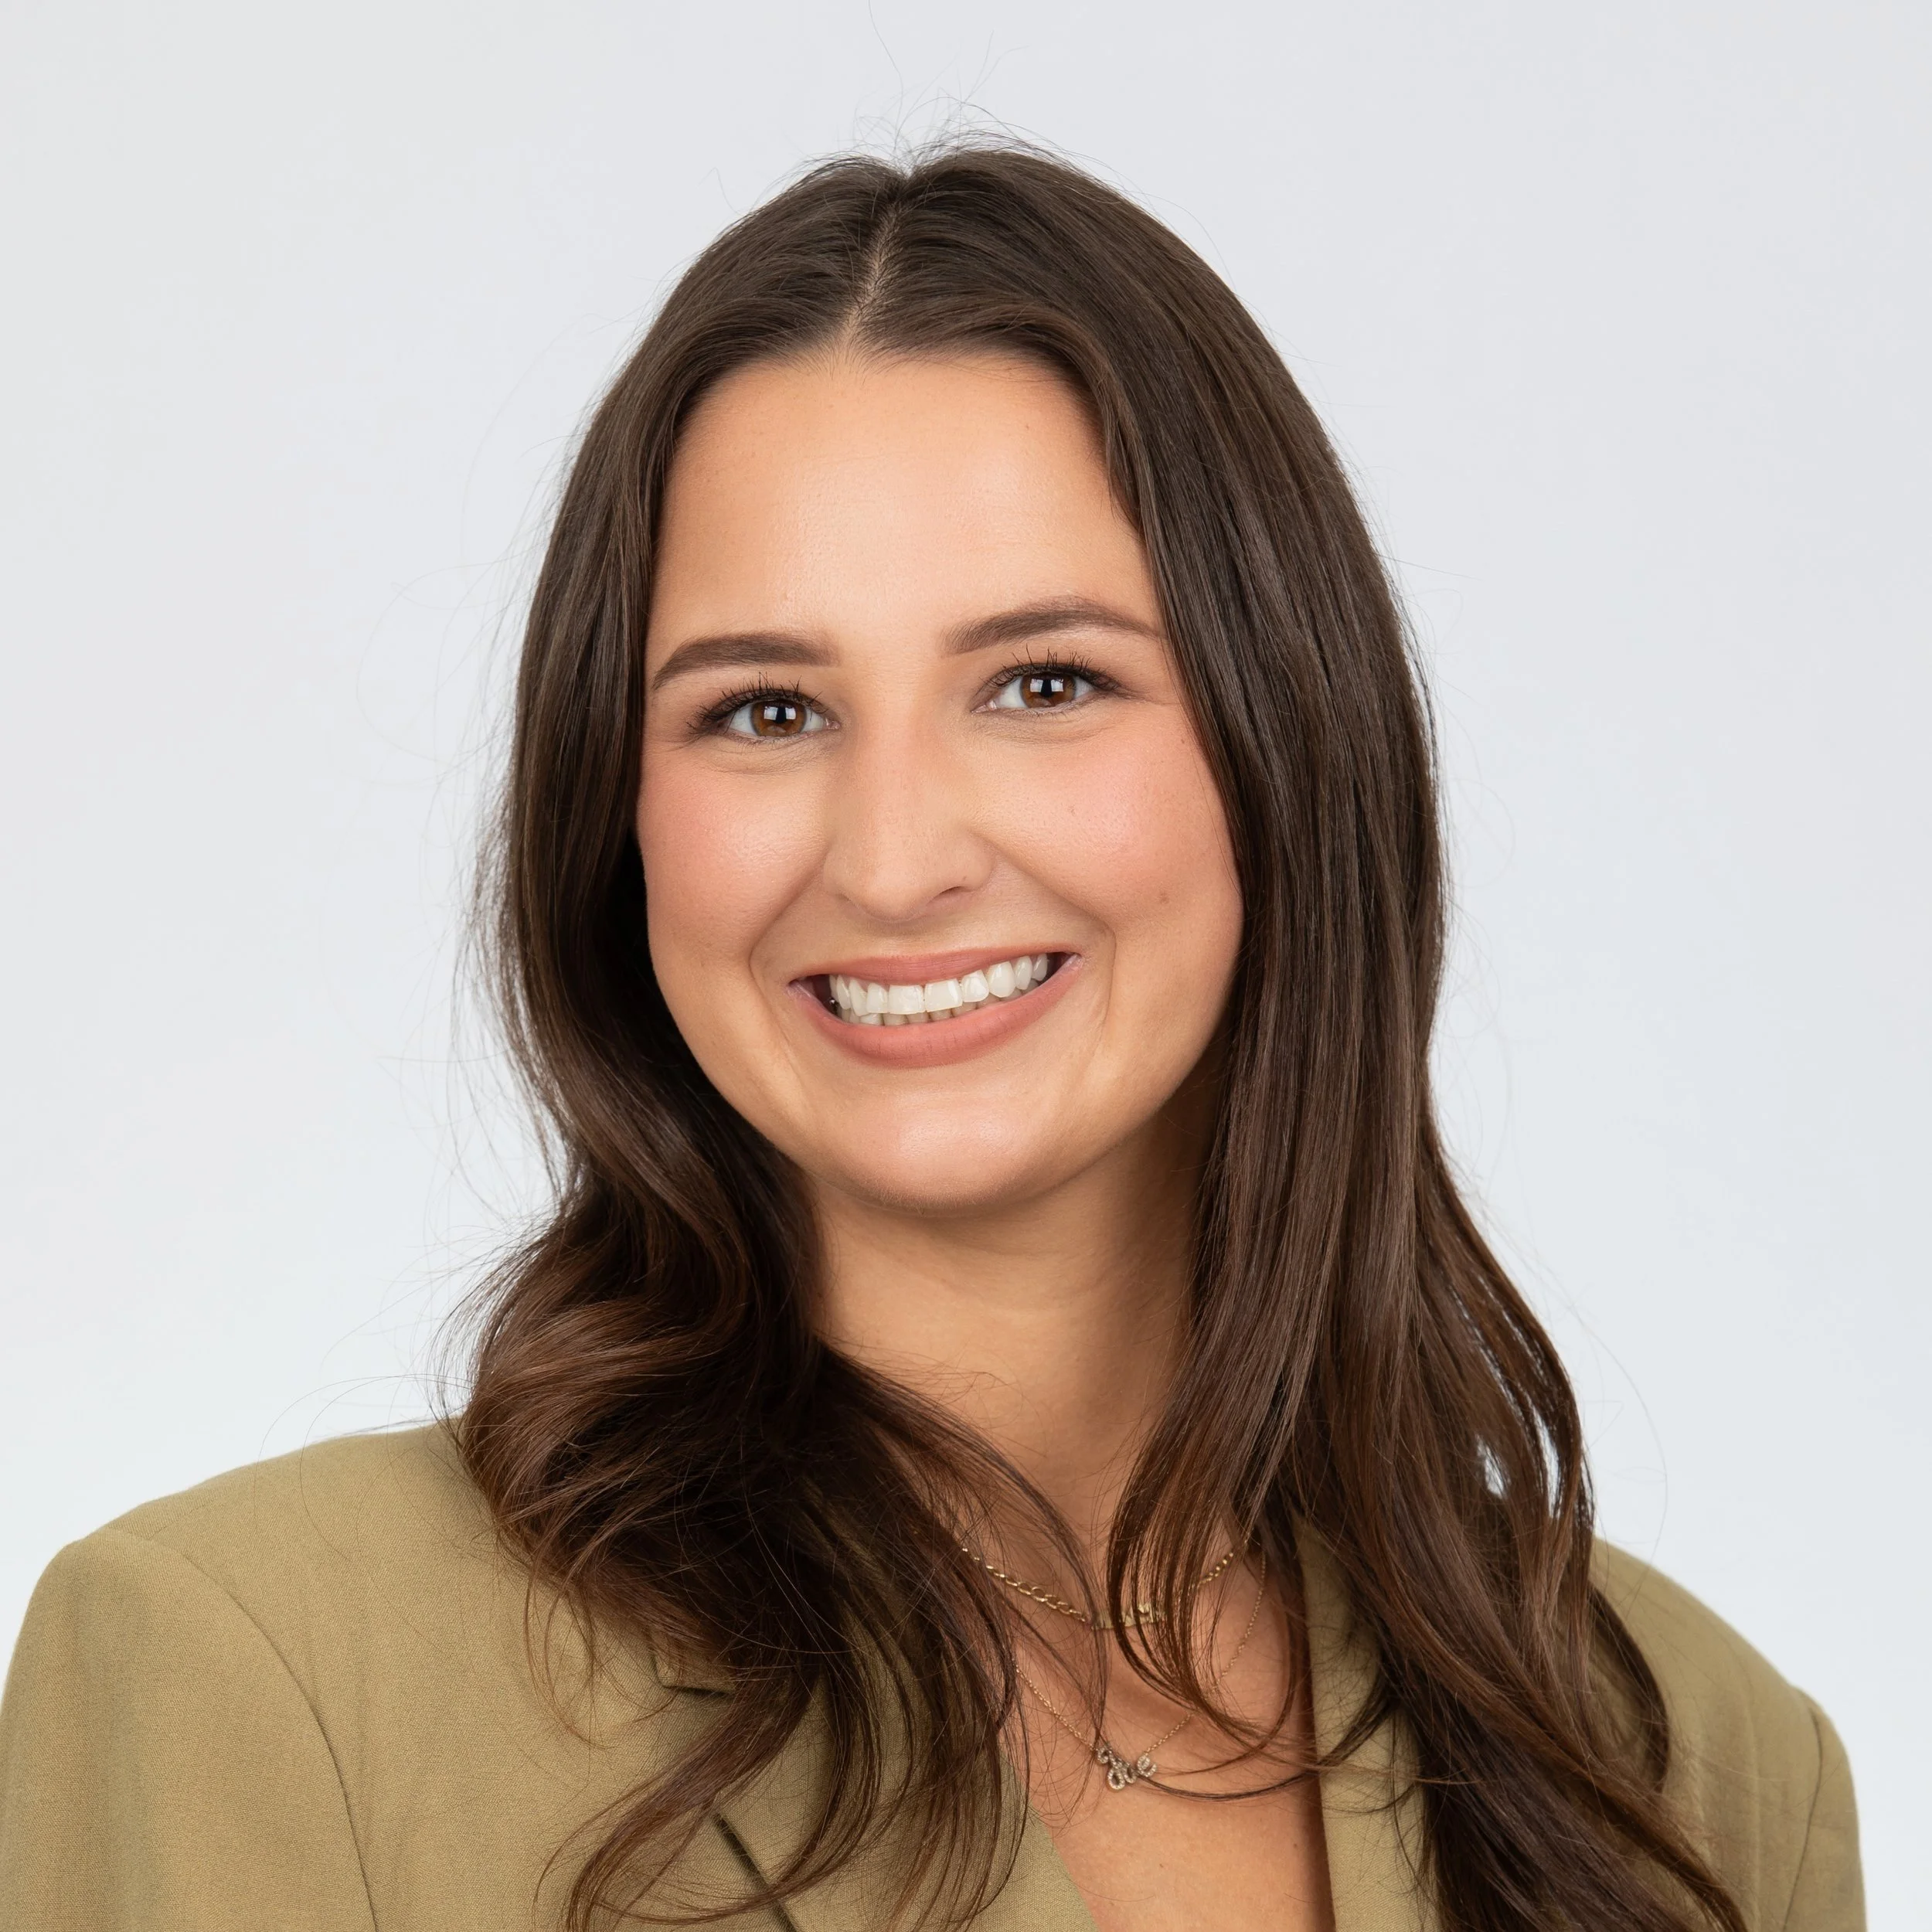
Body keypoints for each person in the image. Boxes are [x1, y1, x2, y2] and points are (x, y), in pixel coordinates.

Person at [0, 143, 1862, 1932]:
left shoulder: (1692, 1770)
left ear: (1282, 749)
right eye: (761, 709)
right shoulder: (252, 1677)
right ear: (616, 819)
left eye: (1042, 682)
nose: (892, 860)